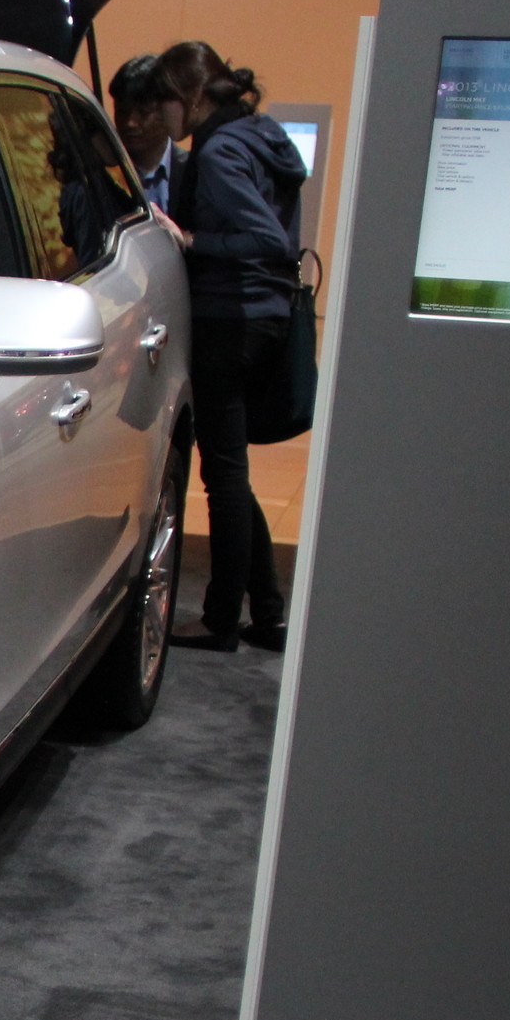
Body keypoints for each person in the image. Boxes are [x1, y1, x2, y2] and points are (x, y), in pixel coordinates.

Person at [158, 40, 307, 654]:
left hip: (231, 317)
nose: (162, 118)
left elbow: (264, 239)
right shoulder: (258, 135)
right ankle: (267, 613)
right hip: (264, 317)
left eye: (164, 101)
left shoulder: (219, 150)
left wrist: (191, 239)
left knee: (221, 477)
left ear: (189, 97)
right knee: (232, 471)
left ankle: (220, 619)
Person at [106, 53, 185, 213]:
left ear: (166, 111)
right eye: (122, 112)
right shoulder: (105, 173)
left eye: (143, 113)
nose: (130, 123)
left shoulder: (193, 172)